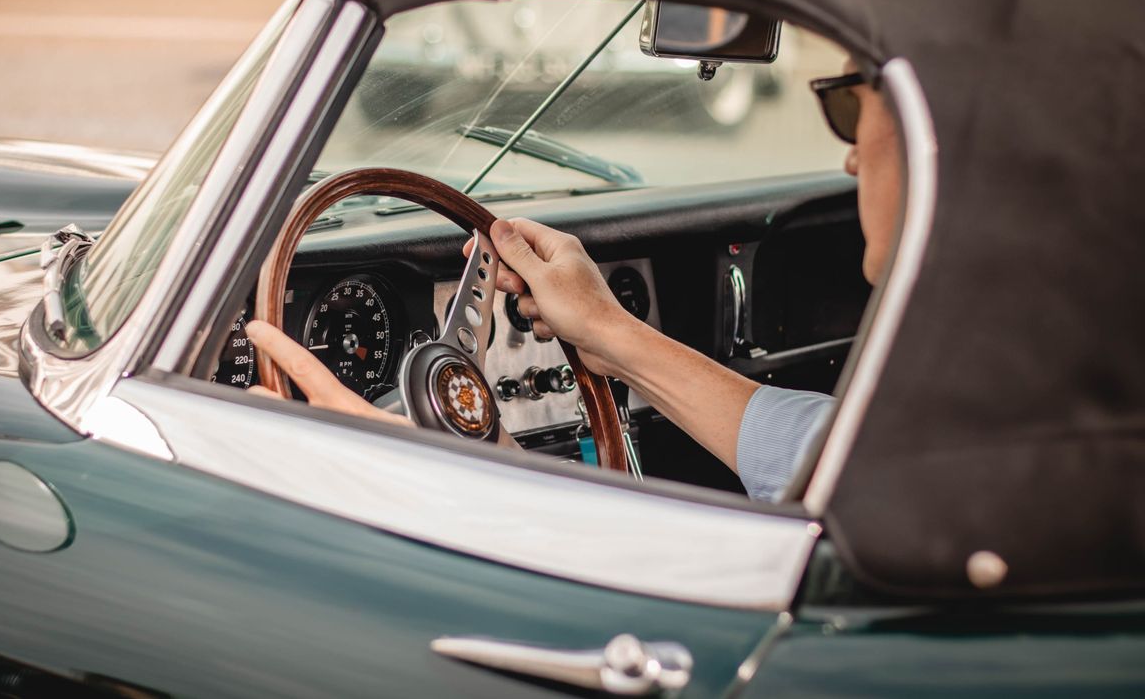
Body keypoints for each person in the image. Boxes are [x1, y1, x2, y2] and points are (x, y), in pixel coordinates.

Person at [248, 61, 901, 501]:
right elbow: (817, 453)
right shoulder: (919, 448)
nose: (848, 157)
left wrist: (448, 476)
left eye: (850, 104)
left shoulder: (924, 473)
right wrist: (607, 333)